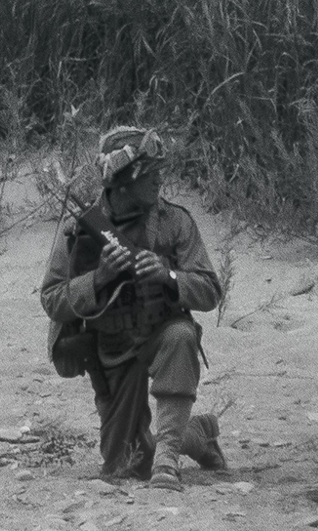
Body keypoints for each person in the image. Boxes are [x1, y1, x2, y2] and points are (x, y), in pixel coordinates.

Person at [39, 126, 226, 490]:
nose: (159, 180)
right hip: (112, 351)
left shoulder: (174, 222)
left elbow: (209, 290)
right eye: (149, 173)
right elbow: (52, 300)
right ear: (124, 182)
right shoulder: (79, 230)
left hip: (159, 333)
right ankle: (196, 435)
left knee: (181, 335)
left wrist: (168, 276)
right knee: (126, 465)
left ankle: (168, 459)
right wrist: (98, 279)